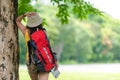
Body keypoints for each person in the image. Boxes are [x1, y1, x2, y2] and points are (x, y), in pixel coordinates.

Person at [16, 12, 58, 80]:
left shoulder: (26, 32)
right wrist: (54, 60)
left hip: (31, 61)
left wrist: (24, 15)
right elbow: (48, 47)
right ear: (39, 22)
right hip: (44, 61)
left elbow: (17, 21)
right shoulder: (43, 32)